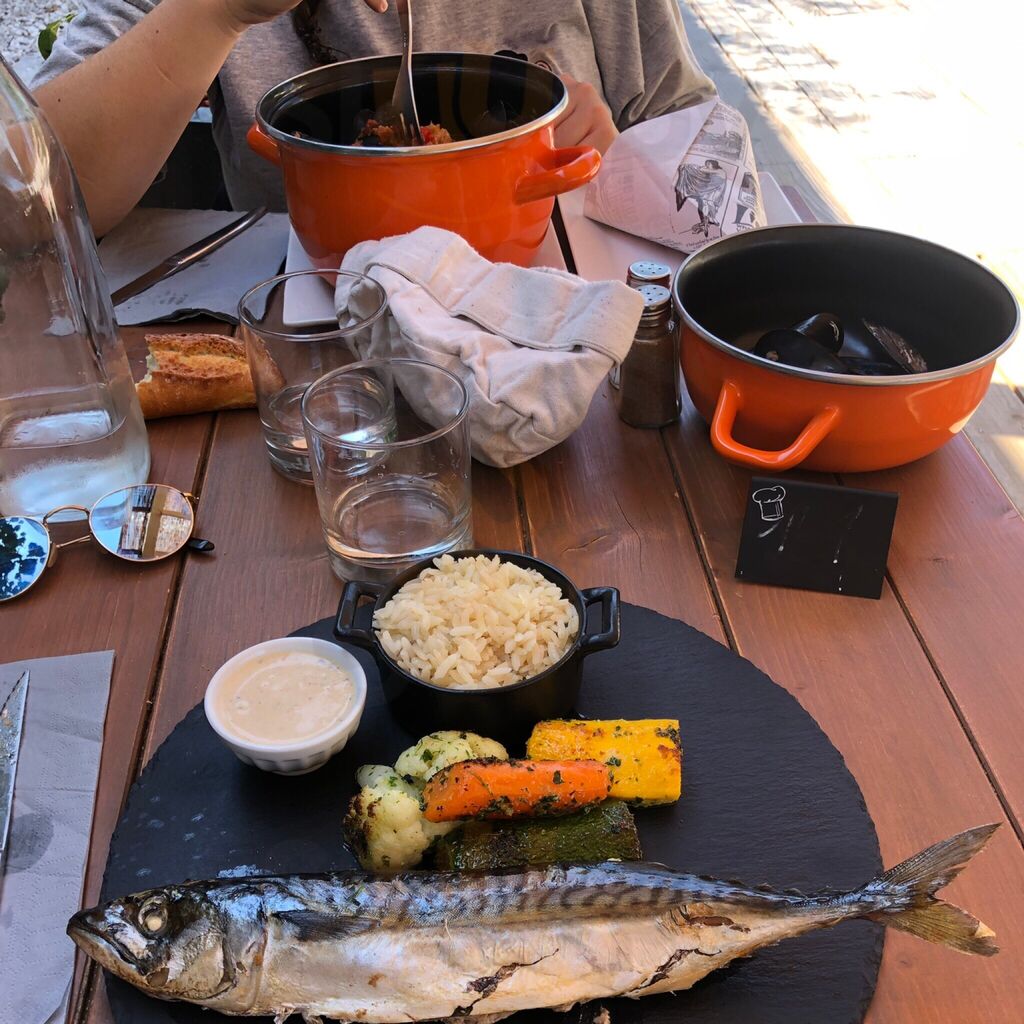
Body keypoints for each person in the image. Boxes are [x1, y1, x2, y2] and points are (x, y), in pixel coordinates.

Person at [32, 0, 714, 236]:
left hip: (566, 362)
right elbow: (28, 198)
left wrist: (623, 170)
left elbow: (714, 170)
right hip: (319, 369)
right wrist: (215, 14)